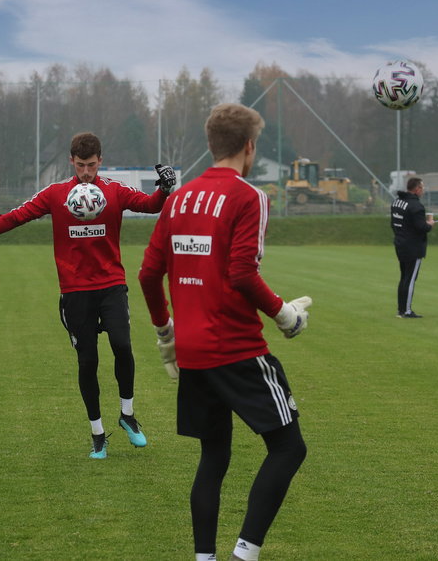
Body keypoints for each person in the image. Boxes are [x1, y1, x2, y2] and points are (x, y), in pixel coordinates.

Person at [138, 103, 311, 561]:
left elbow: (148, 273)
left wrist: (165, 334)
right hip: (236, 348)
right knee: (289, 448)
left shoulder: (178, 199)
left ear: (212, 144)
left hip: (194, 352)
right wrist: (284, 314)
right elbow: (241, 273)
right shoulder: (248, 197)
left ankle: (204, 557)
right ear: (249, 147)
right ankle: (244, 554)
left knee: (213, 458)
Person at [0, 132, 175, 459]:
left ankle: (127, 415)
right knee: (88, 361)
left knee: (123, 346)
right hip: (75, 290)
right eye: (81, 165)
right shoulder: (55, 194)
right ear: (72, 162)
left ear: (101, 161)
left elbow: (149, 205)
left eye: (92, 165)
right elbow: (16, 216)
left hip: (111, 284)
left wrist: (164, 189)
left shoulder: (113, 190)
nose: (86, 172)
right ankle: (98, 434)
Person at [391, 177, 436, 318]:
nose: (423, 190)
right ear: (417, 189)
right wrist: (430, 224)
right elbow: (422, 227)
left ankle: (401, 309)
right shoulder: (416, 206)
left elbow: (394, 223)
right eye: (422, 188)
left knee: (404, 277)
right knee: (410, 279)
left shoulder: (397, 202)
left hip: (400, 243)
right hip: (413, 247)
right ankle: (407, 311)